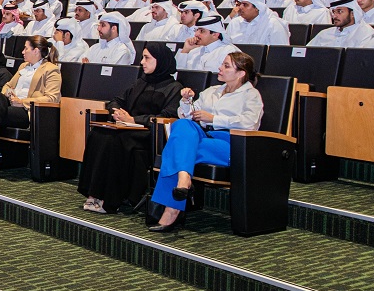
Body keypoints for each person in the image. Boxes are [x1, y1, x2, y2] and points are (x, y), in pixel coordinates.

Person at [149, 52, 263, 232]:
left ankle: (172, 208)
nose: (220, 68)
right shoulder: (212, 91)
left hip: (231, 142)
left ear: (241, 73)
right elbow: (187, 115)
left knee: (178, 148)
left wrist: (215, 119)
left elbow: (250, 123)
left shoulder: (251, 95)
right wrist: (186, 101)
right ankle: (183, 180)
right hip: (202, 135)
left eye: (226, 66)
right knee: (182, 124)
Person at [78, 43, 183, 214]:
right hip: (127, 128)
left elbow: (167, 116)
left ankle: (110, 199)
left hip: (149, 134)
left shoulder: (174, 88)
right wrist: (117, 112)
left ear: (161, 61)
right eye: (142, 57)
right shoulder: (140, 82)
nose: (142, 62)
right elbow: (116, 100)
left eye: (147, 58)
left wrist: (133, 119)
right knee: (98, 134)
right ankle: (94, 193)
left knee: (115, 140)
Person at [0, 36, 62, 179]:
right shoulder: (23, 67)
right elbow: (8, 86)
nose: (22, 52)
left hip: (28, 111)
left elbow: (52, 98)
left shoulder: (52, 70)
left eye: (25, 48)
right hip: (11, 106)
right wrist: (10, 95)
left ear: (36, 51)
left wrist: (23, 101)